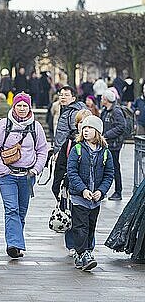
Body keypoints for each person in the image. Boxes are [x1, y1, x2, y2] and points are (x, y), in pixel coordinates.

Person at [0, 93, 48, 259]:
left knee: (21, 211)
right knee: (11, 209)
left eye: (25, 106)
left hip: (27, 176)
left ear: (29, 107)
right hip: (7, 175)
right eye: (19, 105)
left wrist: (36, 169)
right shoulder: (4, 124)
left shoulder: (36, 127)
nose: (22, 109)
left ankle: (16, 240)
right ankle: (13, 244)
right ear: (13, 106)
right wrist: (2, 169)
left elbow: (42, 149)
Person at [67, 116, 114, 271]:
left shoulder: (105, 152)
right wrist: (83, 190)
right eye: (84, 128)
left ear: (97, 132)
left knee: (91, 227)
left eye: (90, 128)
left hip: (95, 199)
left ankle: (84, 254)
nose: (86, 131)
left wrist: (101, 191)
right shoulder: (77, 149)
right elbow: (72, 172)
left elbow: (109, 174)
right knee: (81, 226)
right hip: (79, 197)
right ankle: (83, 253)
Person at [51, 109, 92, 254]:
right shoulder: (69, 142)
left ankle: (87, 245)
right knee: (71, 215)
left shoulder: (97, 144)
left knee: (88, 219)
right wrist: (57, 186)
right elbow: (61, 165)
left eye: (87, 123)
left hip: (90, 187)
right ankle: (73, 245)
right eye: (81, 122)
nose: (84, 126)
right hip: (71, 186)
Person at [100, 88, 126, 201]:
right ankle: (102, 191)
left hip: (114, 145)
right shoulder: (105, 111)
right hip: (106, 143)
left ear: (107, 100)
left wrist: (106, 134)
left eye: (102, 98)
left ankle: (118, 191)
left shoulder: (116, 111)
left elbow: (121, 126)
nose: (101, 100)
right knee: (102, 167)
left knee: (115, 167)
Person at [53, 86, 87, 155]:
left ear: (73, 98)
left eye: (66, 95)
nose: (63, 97)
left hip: (68, 151)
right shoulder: (65, 110)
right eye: (61, 95)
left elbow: (76, 133)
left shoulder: (74, 112)